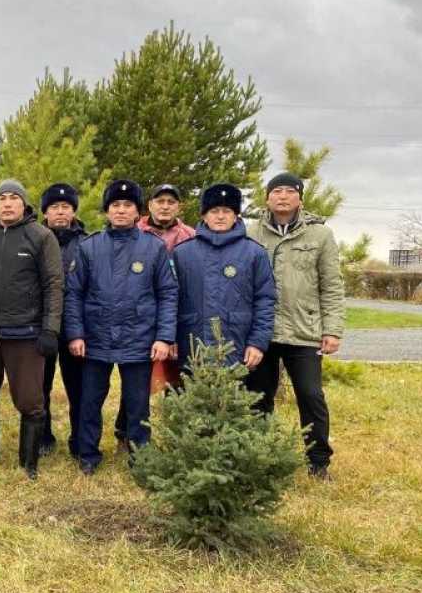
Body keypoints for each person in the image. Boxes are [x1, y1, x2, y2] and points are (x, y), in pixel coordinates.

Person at [64, 180, 178, 475]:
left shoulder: (153, 248)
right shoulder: (90, 247)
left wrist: (164, 337)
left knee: (137, 404)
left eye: (128, 206)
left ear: (137, 210)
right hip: (96, 338)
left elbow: (167, 293)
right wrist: (75, 333)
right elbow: (74, 293)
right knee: (90, 401)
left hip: (138, 339)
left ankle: (140, 457)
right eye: (115, 205)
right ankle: (88, 454)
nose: (121, 210)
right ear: (106, 210)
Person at [245, 172, 345, 479]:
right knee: (258, 395)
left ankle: (318, 461)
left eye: (289, 191)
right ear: (267, 198)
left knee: (310, 395)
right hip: (262, 331)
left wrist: (332, 329)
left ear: (300, 198)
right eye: (276, 191)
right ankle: (258, 454)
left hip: (304, 331)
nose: (283, 196)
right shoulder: (251, 234)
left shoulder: (320, 236)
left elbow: (331, 285)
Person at [0, 180, 62, 478]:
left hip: (26, 333)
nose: (7, 204)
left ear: (24, 204)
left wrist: (50, 329)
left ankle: (28, 463)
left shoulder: (41, 237)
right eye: (1, 199)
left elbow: (54, 286)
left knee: (30, 400)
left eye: (13, 198)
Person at [113, 181, 196, 451]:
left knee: (179, 377)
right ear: (149, 205)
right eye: (160, 201)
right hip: (141, 317)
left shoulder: (190, 236)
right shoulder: (134, 232)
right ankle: (125, 432)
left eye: (171, 202)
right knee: (137, 378)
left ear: (179, 207)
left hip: (178, 313)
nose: (165, 206)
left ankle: (177, 434)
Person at [172, 184, 275, 371]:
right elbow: (170, 300)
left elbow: (265, 301)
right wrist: (169, 338)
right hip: (192, 347)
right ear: (204, 215)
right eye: (214, 211)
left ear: (236, 215)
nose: (220, 216)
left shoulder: (254, 253)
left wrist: (257, 343)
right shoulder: (182, 253)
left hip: (238, 346)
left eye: (227, 211)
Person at [38, 183, 88, 458]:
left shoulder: (87, 243)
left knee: (78, 387)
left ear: (73, 211)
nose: (60, 212)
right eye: (54, 207)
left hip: (74, 327)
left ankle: (79, 438)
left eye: (65, 207)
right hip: (42, 326)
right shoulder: (34, 238)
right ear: (45, 212)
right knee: (40, 386)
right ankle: (43, 435)